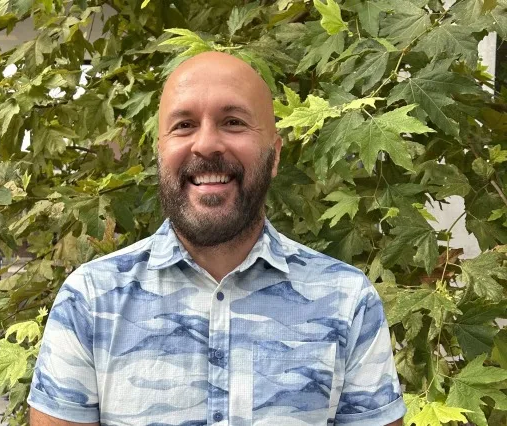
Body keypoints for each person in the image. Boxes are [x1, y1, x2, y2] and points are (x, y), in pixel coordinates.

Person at [28, 51, 406, 426]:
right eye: (184, 125)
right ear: (160, 154)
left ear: (273, 156)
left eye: (233, 122)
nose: (206, 144)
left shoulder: (347, 301)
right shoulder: (91, 300)